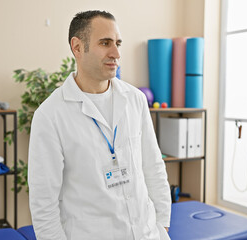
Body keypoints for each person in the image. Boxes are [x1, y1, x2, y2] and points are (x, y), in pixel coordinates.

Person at [28, 10, 171, 240]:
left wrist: (162, 224)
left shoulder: (135, 100)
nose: (116, 53)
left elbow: (153, 166)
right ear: (77, 47)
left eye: (118, 43)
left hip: (148, 234)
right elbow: (43, 204)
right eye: (105, 43)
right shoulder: (50, 115)